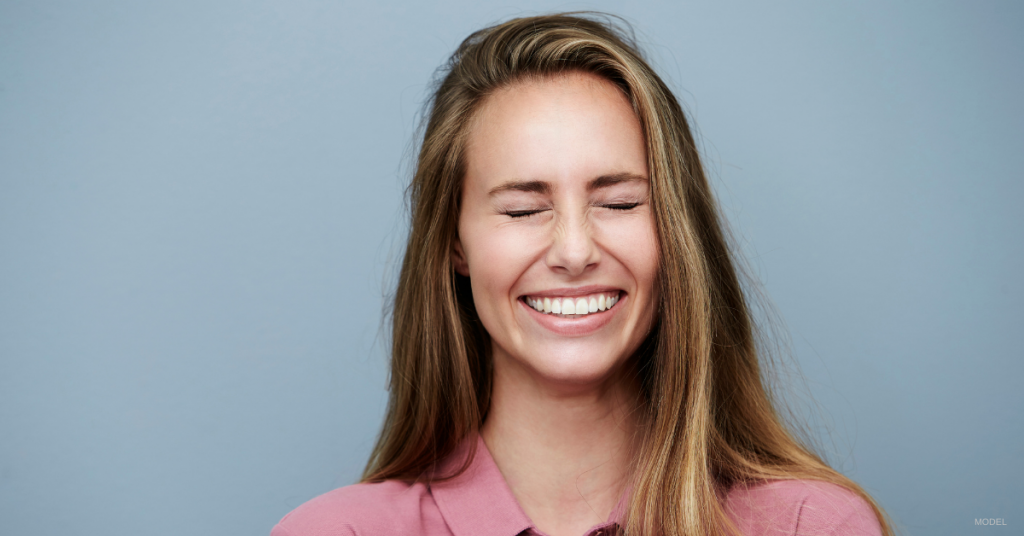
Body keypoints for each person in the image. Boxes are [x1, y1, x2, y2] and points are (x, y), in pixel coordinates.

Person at [271, 12, 893, 536]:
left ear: (675, 233)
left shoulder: (812, 525)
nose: (574, 250)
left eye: (620, 203)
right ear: (454, 245)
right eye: (522, 209)